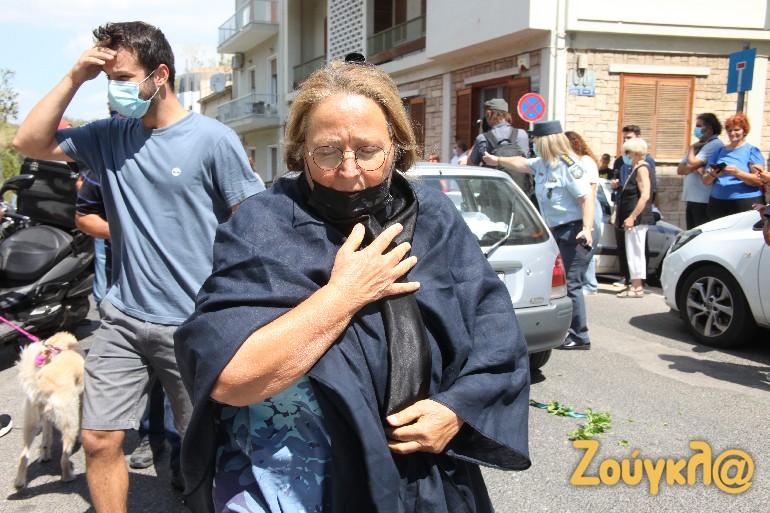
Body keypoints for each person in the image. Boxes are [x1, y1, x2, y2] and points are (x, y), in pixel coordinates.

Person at [175, 57, 531, 513]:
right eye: (326, 152)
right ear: (301, 150)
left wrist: (457, 410)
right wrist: (343, 295)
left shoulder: (434, 218)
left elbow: (496, 336)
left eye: (367, 150)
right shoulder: (261, 225)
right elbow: (229, 379)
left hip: (424, 480)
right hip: (297, 484)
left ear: (396, 146)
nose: (348, 171)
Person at [13, 21, 264, 512]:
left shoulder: (213, 140)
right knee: (98, 439)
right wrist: (75, 75)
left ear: (160, 75)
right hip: (122, 319)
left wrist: (243, 312)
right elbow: (29, 141)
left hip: (191, 324)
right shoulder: (108, 137)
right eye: (109, 79)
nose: (115, 89)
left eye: (124, 78)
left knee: (204, 450)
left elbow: (254, 227)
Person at [484, 120, 594, 350]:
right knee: (566, 284)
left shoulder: (568, 166)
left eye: (536, 140)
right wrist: (497, 160)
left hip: (575, 231)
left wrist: (587, 229)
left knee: (572, 284)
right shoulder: (544, 163)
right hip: (558, 231)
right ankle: (571, 331)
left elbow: (586, 199)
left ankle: (580, 336)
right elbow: (521, 163)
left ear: (546, 142)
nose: (533, 143)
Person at [610, 125, 656, 288]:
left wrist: (632, 217)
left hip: (636, 216)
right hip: (628, 212)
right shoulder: (632, 166)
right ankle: (632, 283)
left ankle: (637, 285)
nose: (627, 155)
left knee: (637, 251)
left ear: (636, 152)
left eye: (628, 152)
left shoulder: (643, 167)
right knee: (630, 250)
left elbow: (645, 195)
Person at [701, 113, 764, 221]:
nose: (732, 133)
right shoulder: (718, 152)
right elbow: (705, 181)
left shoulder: (752, 151)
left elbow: (759, 180)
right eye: (729, 130)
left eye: (736, 130)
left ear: (744, 131)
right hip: (718, 202)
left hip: (745, 201)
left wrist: (738, 173)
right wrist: (713, 174)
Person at [565, 131, 602, 296]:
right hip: (582, 205)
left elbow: (591, 190)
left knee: (587, 244)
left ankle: (590, 284)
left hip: (590, 205)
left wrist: (587, 212)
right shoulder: (573, 161)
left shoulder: (586, 161)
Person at [676, 113, 724, 229]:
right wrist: (693, 167)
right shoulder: (698, 145)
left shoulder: (714, 144)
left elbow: (691, 163)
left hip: (703, 199)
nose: (695, 129)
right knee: (691, 233)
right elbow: (680, 169)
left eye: (699, 126)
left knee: (701, 232)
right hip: (692, 198)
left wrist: (692, 149)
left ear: (708, 128)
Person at [467, 98, 528, 167]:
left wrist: (479, 135)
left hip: (493, 174)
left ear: (489, 113)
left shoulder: (483, 138)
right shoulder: (522, 134)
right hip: (517, 174)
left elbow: (470, 164)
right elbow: (526, 161)